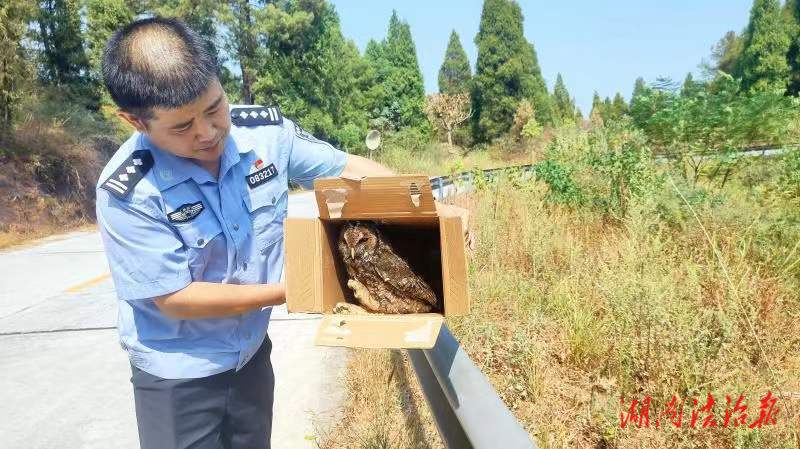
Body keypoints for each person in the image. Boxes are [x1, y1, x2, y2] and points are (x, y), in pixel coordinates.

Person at [95, 17, 468, 449]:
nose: (208, 132)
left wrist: (434, 209)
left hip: (251, 356)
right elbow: (174, 298)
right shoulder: (129, 189)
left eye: (215, 107)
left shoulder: (266, 134)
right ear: (135, 121)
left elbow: (348, 170)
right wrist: (291, 290)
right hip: (178, 376)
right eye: (182, 127)